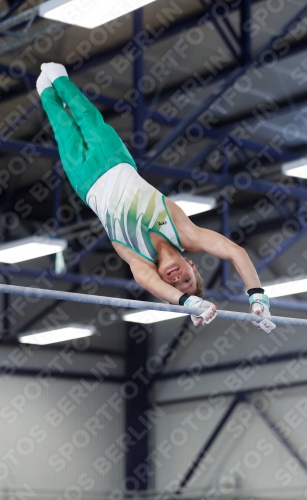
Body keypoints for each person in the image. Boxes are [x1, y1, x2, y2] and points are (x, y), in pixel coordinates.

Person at [36, 63, 275, 332]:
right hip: (113, 159)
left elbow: (155, 286)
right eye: (186, 280)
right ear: (191, 264)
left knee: (62, 128)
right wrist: (257, 296)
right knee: (86, 117)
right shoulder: (184, 233)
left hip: (83, 182)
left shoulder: (138, 260)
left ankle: (45, 91)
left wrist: (187, 302)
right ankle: (61, 80)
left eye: (172, 285)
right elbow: (235, 251)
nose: (176, 279)